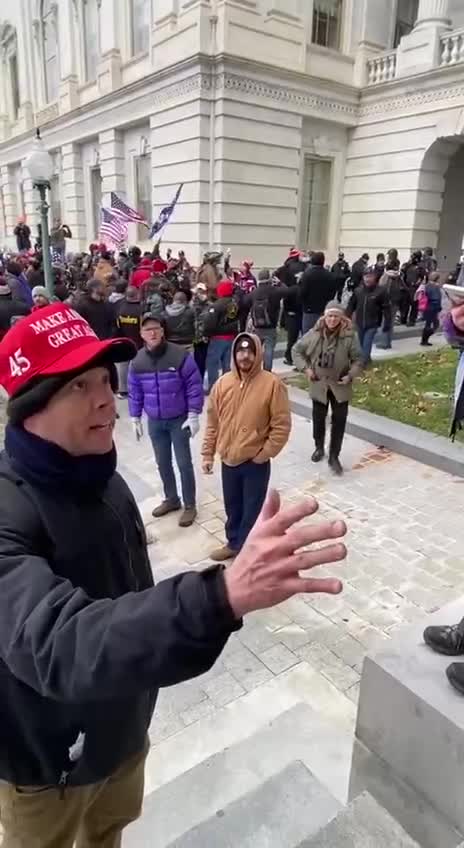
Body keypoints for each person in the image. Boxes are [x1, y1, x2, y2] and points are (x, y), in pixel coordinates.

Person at [0, 302, 347, 846]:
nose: (105, 403)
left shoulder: (103, 477)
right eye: (78, 388)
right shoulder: (7, 510)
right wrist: (221, 595)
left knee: (109, 833)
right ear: (29, 406)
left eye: (103, 380)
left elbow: (129, 598)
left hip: (122, 732)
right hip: (45, 767)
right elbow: (58, 643)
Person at [202, 333, 291, 561]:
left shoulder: (272, 384)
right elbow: (212, 422)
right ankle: (234, 544)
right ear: (234, 353)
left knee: (252, 511)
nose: (245, 356)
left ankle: (249, 552)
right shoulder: (222, 383)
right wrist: (208, 454)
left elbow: (281, 426)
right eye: (240, 351)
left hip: (254, 462)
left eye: (250, 351)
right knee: (233, 507)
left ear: (258, 354)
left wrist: (264, 455)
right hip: (229, 460)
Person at [128, 314, 203, 528]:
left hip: (179, 420)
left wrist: (194, 414)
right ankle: (172, 499)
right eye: (147, 330)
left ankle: (190, 505)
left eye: (156, 328)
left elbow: (194, 385)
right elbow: (135, 391)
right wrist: (135, 417)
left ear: (162, 331)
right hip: (155, 422)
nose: (152, 332)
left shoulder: (179, 356)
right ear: (141, 335)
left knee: (183, 464)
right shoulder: (138, 361)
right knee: (162, 463)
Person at [293, 301, 364, 476]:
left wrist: (350, 375)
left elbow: (359, 359)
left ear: (341, 318)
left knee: (339, 421)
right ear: (325, 316)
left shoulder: (349, 336)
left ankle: (334, 455)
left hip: (340, 386)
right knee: (318, 419)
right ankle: (319, 447)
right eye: (330, 316)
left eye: (336, 316)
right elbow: (296, 350)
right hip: (319, 384)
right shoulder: (315, 333)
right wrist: (306, 369)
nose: (332, 319)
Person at [346, 265, 391, 364]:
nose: (368, 279)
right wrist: (346, 317)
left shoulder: (381, 291)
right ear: (363, 277)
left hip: (373, 323)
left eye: (370, 276)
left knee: (367, 345)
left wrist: (387, 323)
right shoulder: (358, 291)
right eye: (366, 276)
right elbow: (351, 305)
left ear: (374, 277)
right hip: (359, 323)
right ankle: (367, 360)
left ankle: (363, 365)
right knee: (361, 345)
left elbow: (386, 308)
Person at [204, 279, 240, 390]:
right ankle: (226, 387)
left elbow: (210, 324)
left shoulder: (216, 306)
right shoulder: (234, 304)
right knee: (227, 364)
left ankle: (214, 387)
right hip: (231, 337)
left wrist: (206, 334)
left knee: (213, 364)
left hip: (217, 338)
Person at [249, 268, 286, 371]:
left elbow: (245, 301)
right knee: (269, 349)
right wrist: (280, 283)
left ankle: (254, 369)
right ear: (269, 278)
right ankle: (267, 371)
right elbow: (287, 292)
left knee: (256, 349)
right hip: (271, 325)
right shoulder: (275, 291)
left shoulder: (255, 292)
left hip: (257, 326)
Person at [114, 286, 143, 397]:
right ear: (137, 295)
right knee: (139, 366)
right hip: (138, 342)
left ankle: (123, 390)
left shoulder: (120, 308)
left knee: (123, 366)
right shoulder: (141, 309)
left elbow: (117, 325)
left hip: (124, 340)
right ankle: (138, 389)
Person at [299, 252, 337, 334]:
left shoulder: (307, 275)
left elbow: (302, 292)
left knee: (307, 336)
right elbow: (332, 292)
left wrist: (304, 304)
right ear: (323, 261)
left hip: (309, 310)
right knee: (322, 334)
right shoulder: (329, 275)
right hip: (323, 309)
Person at [376, 260, 404, 350]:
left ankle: (383, 342)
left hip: (386, 303)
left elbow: (381, 288)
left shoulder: (385, 276)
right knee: (391, 323)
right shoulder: (398, 276)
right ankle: (388, 342)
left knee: (384, 323)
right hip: (395, 302)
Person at [192, 282, 211, 379]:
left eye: (203, 291)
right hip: (193, 338)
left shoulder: (210, 305)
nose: (202, 293)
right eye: (199, 291)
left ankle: (200, 379)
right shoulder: (192, 305)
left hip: (205, 338)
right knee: (194, 362)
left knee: (202, 361)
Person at [420, 271, 442, 346]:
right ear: (437, 279)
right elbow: (436, 298)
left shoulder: (427, 285)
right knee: (435, 324)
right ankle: (425, 339)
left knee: (428, 324)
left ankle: (424, 340)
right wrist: (439, 307)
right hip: (433, 308)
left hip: (427, 307)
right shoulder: (435, 287)